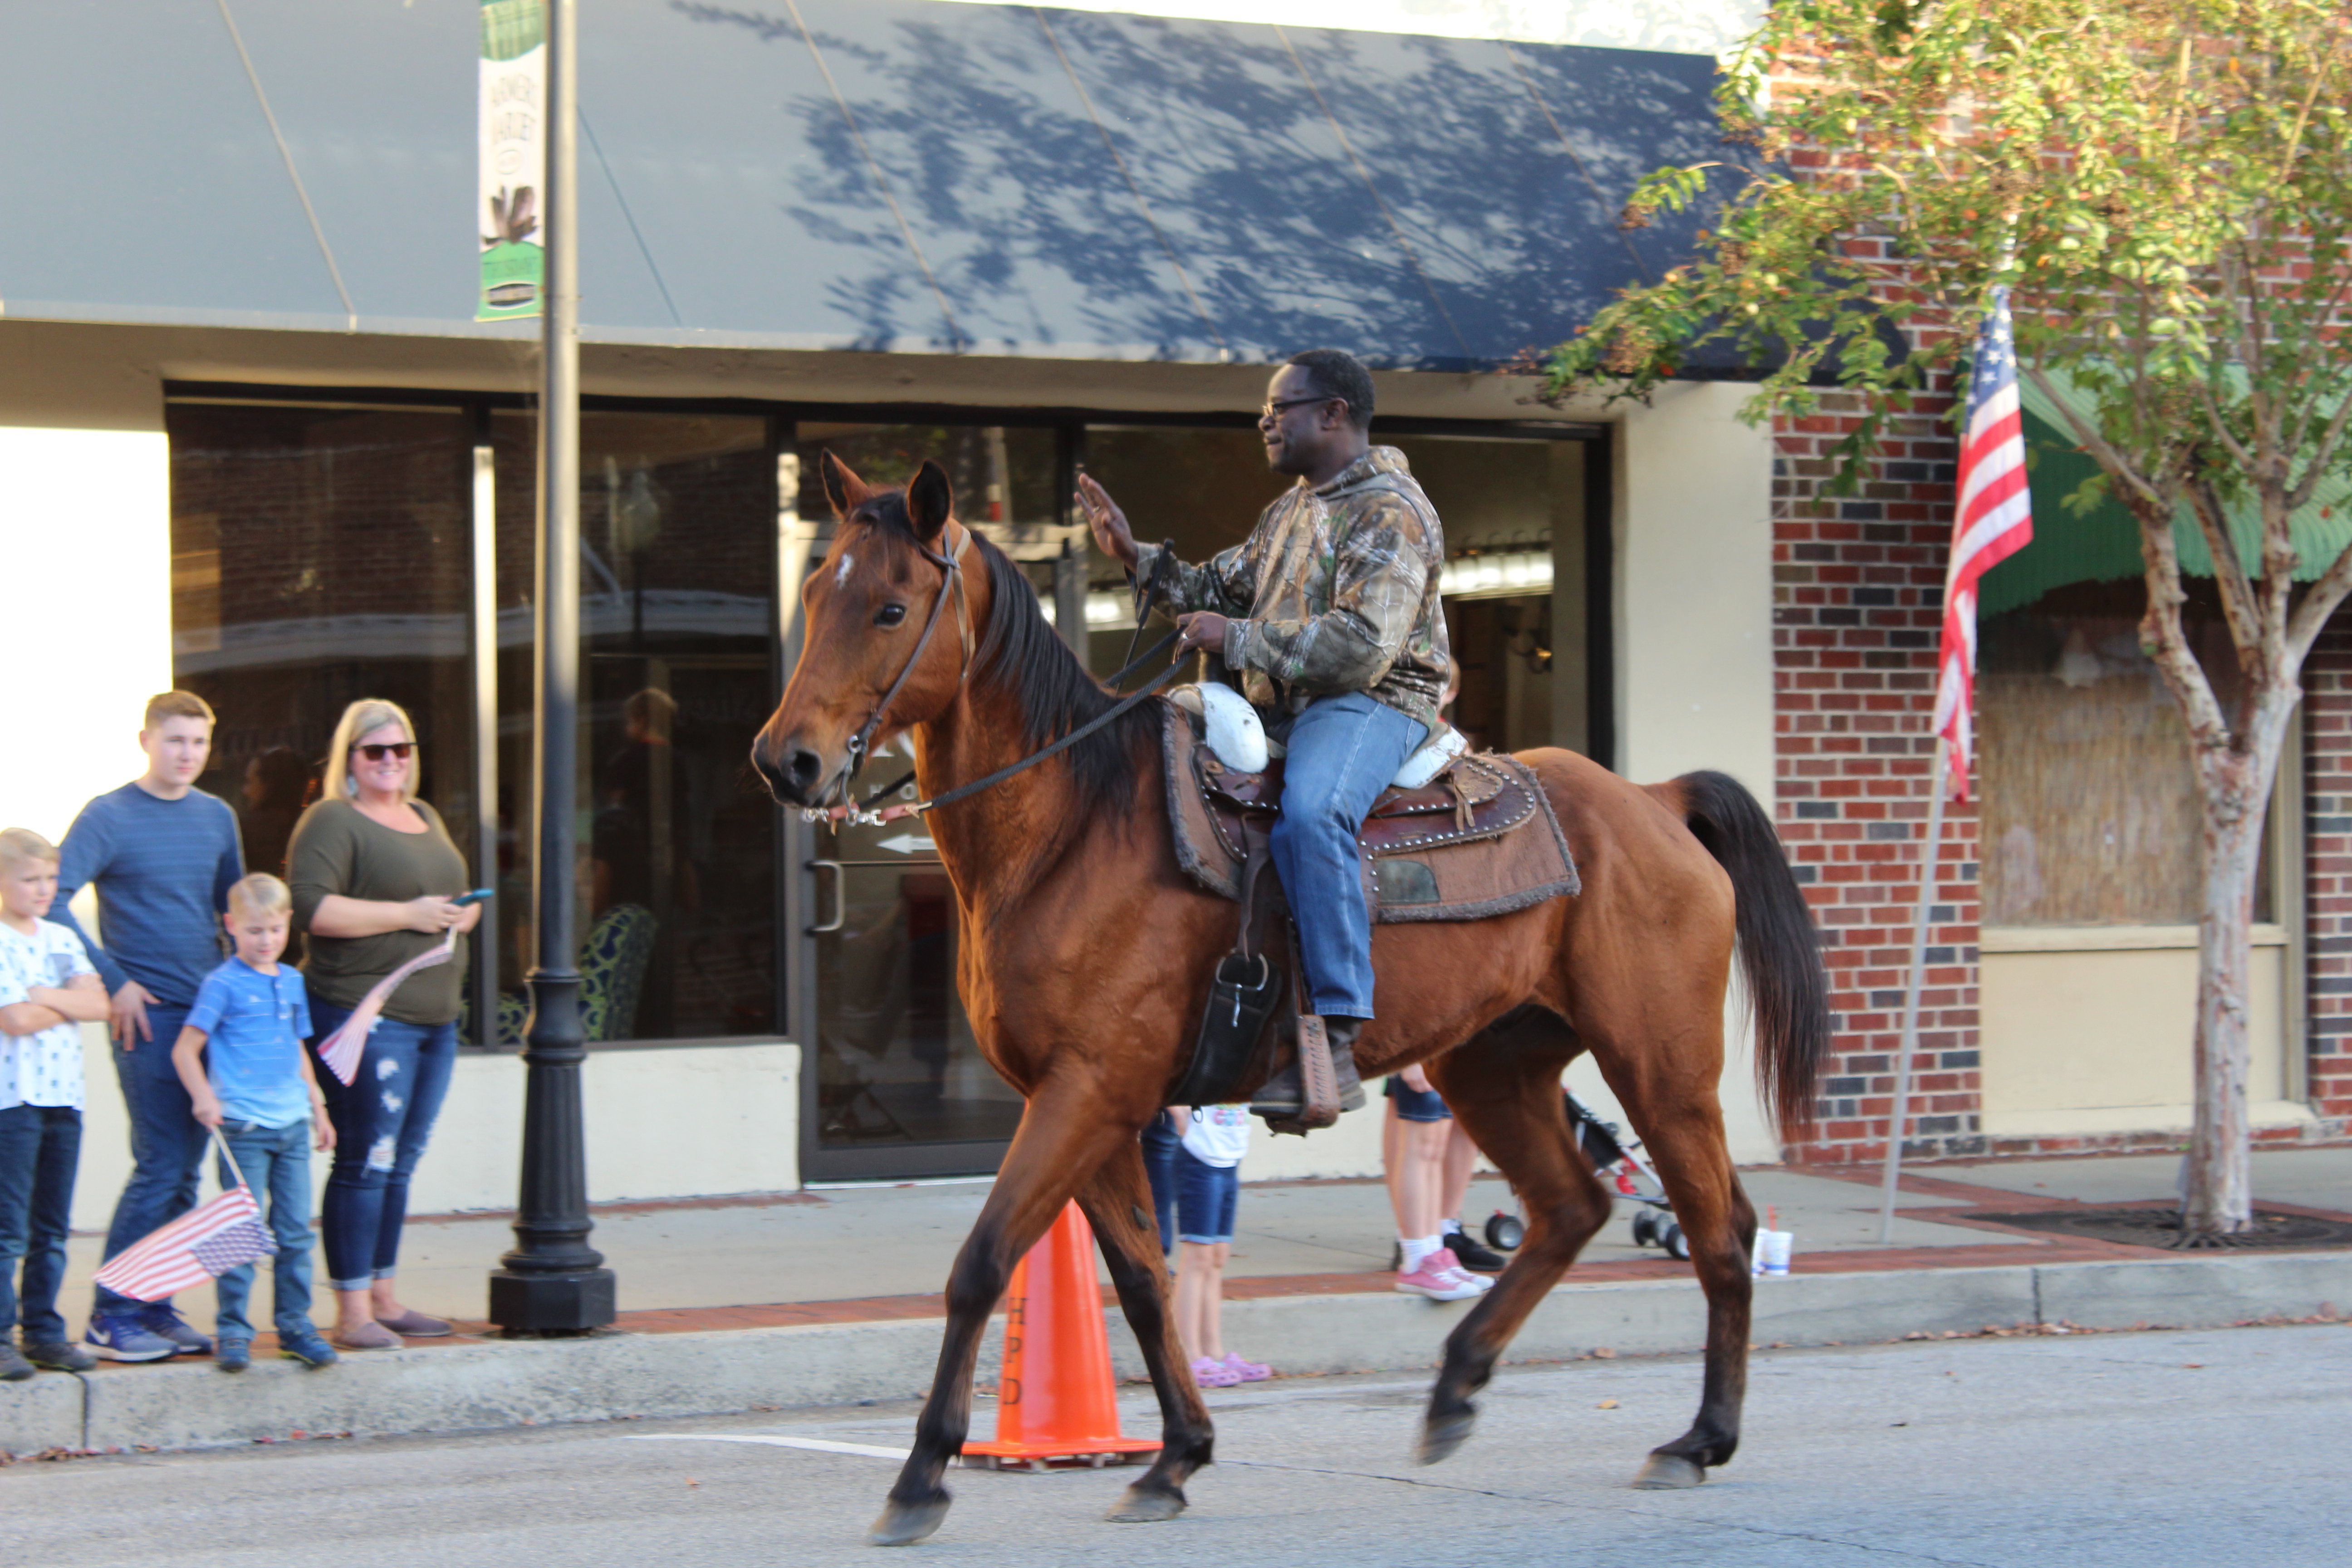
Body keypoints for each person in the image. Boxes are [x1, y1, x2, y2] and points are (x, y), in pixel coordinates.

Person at [1078, 348, 1449, 1123]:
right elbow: (1214, 588)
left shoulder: (1390, 510)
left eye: (1278, 410)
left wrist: (1236, 639)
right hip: (1282, 706)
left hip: (1373, 700)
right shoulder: (1290, 511)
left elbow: (1360, 647)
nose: (1264, 423)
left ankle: (1338, 1026)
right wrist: (1131, 555)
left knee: (1312, 812)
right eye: (1265, 411)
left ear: (1333, 413)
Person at [50, 691, 244, 1362]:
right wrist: (114, 981)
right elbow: (52, 900)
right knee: (162, 1164)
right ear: (146, 741)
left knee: (189, 1175)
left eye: (198, 742)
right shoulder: (107, 817)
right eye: (175, 740)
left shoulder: (218, 818)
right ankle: (111, 1315)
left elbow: (235, 912)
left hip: (211, 1018)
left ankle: (155, 1305)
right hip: (149, 1018)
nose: (187, 753)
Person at [288, 698, 480, 1351]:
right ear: (351, 758)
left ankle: (385, 1297)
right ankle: (350, 1314)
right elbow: (311, 910)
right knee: (366, 1156)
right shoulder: (332, 819)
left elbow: (442, 899)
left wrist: (458, 915)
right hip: (364, 1016)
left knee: (401, 1160)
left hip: (436, 1018)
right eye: (376, 751)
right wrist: (410, 913)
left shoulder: (423, 816)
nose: (392, 761)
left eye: (402, 749)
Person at [170, 873, 339, 1371]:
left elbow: (298, 1049)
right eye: (254, 931)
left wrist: (319, 1109)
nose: (265, 941)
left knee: (294, 1234)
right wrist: (203, 1097)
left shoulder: (292, 981)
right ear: (231, 926)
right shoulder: (221, 984)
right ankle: (233, 1332)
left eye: (274, 930)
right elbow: (186, 1050)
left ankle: (295, 1326)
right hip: (242, 1128)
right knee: (241, 1234)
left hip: (290, 1126)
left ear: (288, 923)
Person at [0, 829, 110, 1379]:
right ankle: (1, 1336)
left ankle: (43, 1331)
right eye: (30, 879)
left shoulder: (62, 936)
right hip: (14, 1101)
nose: (44, 889)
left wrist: (43, 996)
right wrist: (63, 1002)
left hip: (65, 1098)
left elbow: (100, 1003)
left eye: (50, 878)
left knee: (51, 1225)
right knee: (8, 1227)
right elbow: (13, 1019)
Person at [1167, 1101, 1270, 1389]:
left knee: (1217, 1258)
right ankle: (1187, 1354)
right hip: (1200, 1158)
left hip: (1229, 1159)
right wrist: (1178, 1111)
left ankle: (1214, 1351)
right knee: (1198, 1258)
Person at [1382, 1068, 1505, 1300]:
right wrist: (1413, 1059)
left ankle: (1433, 1251)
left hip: (1441, 1049)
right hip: (1420, 1045)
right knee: (1420, 1146)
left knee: (1434, 1150)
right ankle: (1417, 1260)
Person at [239, 746, 312, 881]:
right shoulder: (315, 828)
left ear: (268, 786)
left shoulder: (243, 832)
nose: (245, 791)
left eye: (250, 782)